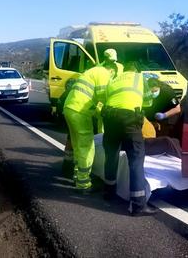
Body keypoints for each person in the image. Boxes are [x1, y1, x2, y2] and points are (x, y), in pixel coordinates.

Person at [102, 61, 157, 216]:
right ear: (137, 70)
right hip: (129, 119)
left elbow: (108, 98)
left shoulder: (114, 80)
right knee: (136, 158)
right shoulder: (139, 78)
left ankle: (109, 192)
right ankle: (139, 204)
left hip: (110, 116)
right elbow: (147, 100)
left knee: (111, 155)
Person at [62, 61, 117, 192]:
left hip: (70, 108)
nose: (112, 79)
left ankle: (77, 174)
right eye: (113, 76)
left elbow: (92, 98)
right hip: (80, 111)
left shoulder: (92, 72)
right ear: (112, 70)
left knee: (77, 144)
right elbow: (103, 97)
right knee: (87, 147)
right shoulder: (104, 73)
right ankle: (83, 183)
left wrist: (99, 114)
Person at [142, 77, 183, 157]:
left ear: (159, 87)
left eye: (155, 91)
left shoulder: (167, 91)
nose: (153, 93)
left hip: (167, 114)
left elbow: (178, 108)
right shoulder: (145, 91)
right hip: (152, 114)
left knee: (165, 134)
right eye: (152, 91)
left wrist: (164, 115)